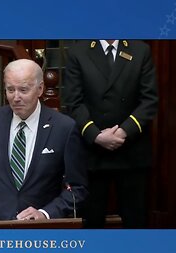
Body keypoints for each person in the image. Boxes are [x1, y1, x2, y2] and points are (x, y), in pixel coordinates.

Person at [0, 59, 88, 225]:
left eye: (23, 90)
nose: (16, 97)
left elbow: (77, 189)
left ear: (40, 89)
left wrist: (45, 214)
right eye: (10, 90)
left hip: (42, 230)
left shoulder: (64, 128)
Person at [62, 40, 158, 228]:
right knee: (92, 222)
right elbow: (73, 102)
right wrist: (96, 135)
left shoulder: (140, 50)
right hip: (93, 152)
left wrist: (123, 132)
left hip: (131, 150)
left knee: (136, 221)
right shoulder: (78, 52)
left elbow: (149, 100)